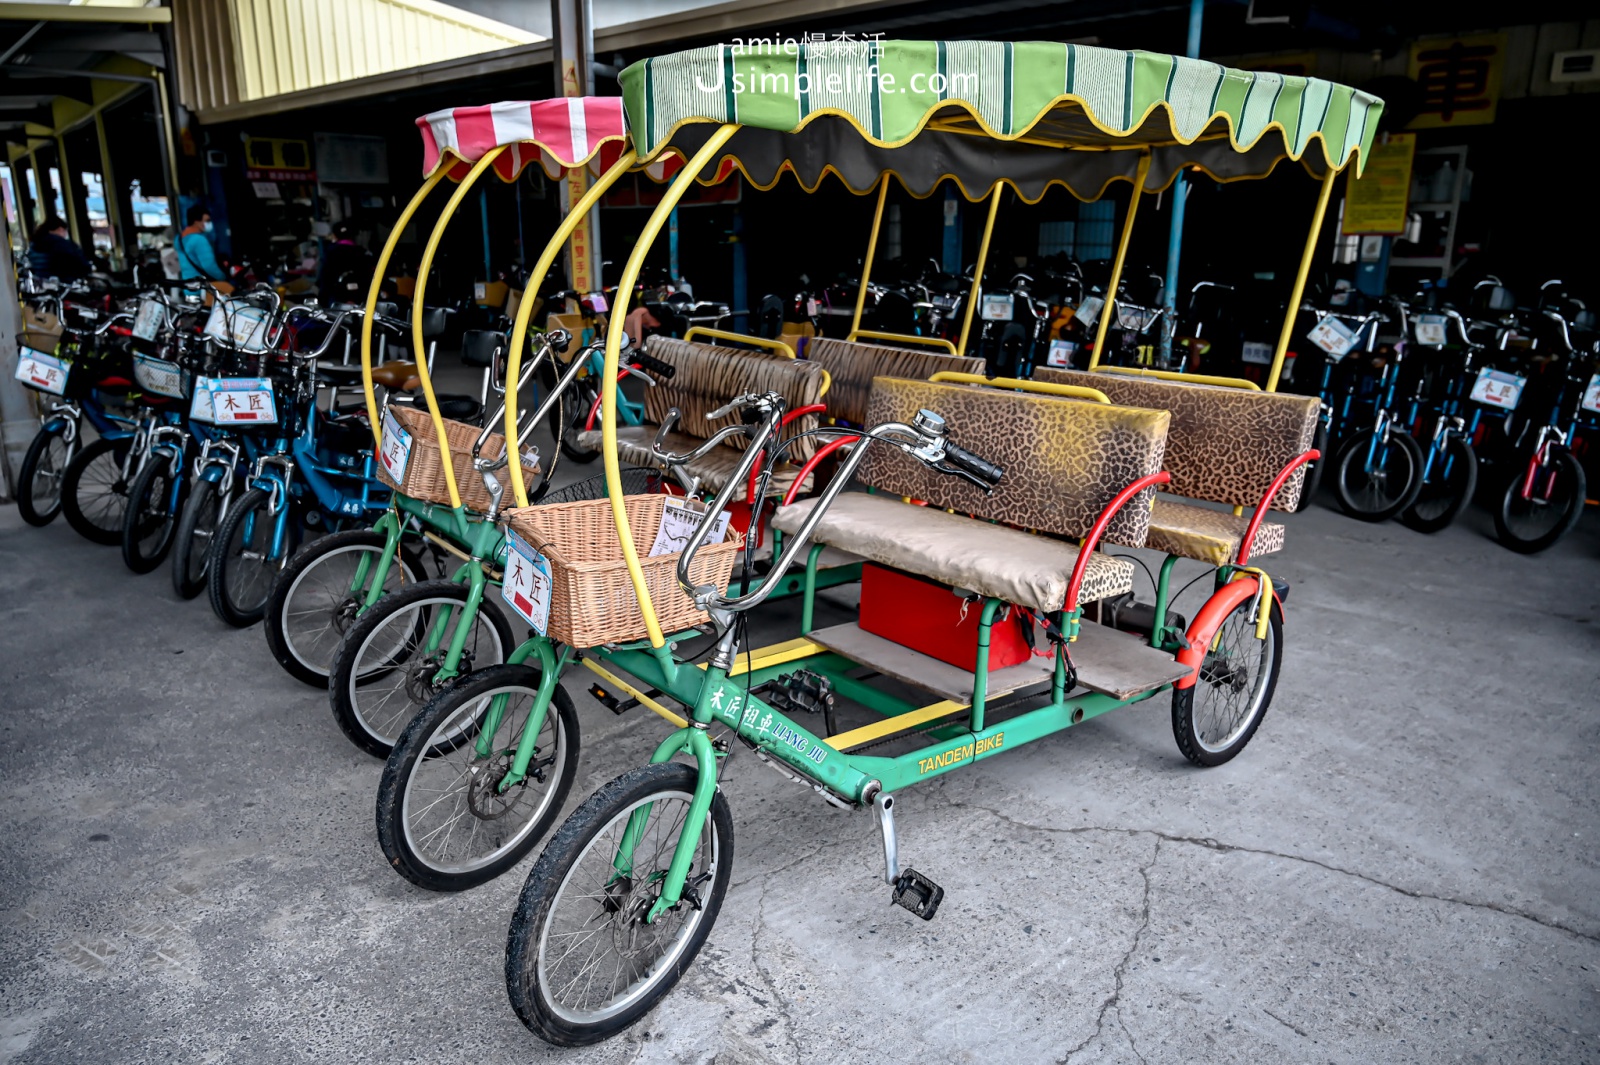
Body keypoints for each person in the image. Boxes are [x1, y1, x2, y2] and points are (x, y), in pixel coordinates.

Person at [27, 216, 91, 281]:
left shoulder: (33, 245)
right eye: (65, 231)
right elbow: (83, 266)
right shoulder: (64, 245)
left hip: (40, 283)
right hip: (62, 284)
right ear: (60, 229)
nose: (65, 235)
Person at [176, 204, 225, 282]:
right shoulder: (199, 240)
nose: (210, 223)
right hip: (203, 288)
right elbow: (209, 266)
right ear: (196, 222)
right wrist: (223, 278)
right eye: (207, 221)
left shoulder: (178, 238)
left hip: (188, 286)